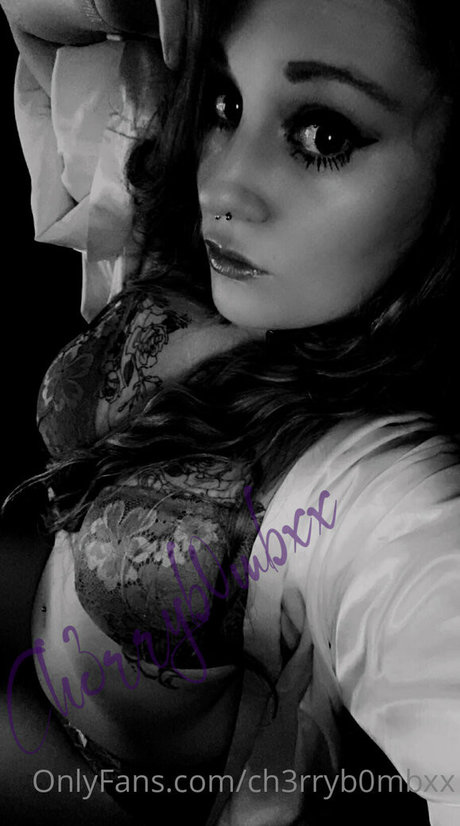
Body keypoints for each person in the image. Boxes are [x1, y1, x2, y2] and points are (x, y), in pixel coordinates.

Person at [2, 1, 460, 825]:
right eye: (226, 101)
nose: (221, 184)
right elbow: (46, 24)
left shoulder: (379, 485)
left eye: (322, 134)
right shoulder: (186, 242)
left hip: (91, 787)